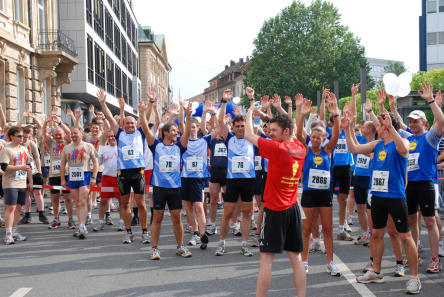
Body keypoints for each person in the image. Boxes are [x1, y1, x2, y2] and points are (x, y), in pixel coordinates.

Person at [343, 110, 421, 294]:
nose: (377, 125)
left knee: (405, 236)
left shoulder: (400, 143)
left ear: (387, 125)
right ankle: (376, 272)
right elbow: (354, 149)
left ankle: (414, 278)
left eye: (380, 122)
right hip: (377, 196)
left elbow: (403, 149)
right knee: (376, 234)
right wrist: (346, 129)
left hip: (395, 197)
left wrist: (392, 127)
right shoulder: (377, 144)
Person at [243, 89, 306, 297]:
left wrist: (250, 111)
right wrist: (270, 116)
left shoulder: (278, 150)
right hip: (292, 209)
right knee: (296, 259)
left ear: (285, 132)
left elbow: (248, 134)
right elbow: (290, 125)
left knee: (266, 261)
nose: (271, 134)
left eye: (274, 131)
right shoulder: (299, 147)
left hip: (274, 211)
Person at [296, 92, 341, 276]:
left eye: (318, 138)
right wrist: (302, 115)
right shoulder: (306, 150)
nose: (315, 139)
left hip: (324, 194)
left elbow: (337, 134)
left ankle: (330, 262)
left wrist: (336, 115)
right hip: (309, 194)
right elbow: (298, 133)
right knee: (306, 230)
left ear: (323, 139)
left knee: (328, 230)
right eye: (313, 137)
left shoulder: (327, 150)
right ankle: (304, 262)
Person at [145, 86, 193, 260]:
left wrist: (186, 114)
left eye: (177, 131)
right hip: (159, 187)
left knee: (176, 218)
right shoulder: (156, 145)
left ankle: (180, 247)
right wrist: (149, 105)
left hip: (175, 188)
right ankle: (154, 249)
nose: (176, 133)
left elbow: (186, 132)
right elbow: (144, 127)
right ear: (165, 133)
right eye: (173, 131)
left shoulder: (180, 147)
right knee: (157, 217)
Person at [98, 89, 150, 244]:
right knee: (125, 203)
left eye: (132, 123)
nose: (129, 125)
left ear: (136, 124)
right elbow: (108, 117)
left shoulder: (140, 133)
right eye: (127, 123)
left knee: (141, 203)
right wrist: (102, 102)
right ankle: (128, 232)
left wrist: (149, 106)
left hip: (138, 172)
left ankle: (144, 232)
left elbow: (145, 118)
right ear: (123, 125)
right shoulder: (119, 133)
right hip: (123, 174)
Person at [405, 83, 444, 273]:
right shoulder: (408, 139)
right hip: (409, 185)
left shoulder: (429, 138)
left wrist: (430, 101)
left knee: (429, 222)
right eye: (411, 121)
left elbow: (441, 121)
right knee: (412, 221)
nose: (413, 124)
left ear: (424, 123)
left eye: (416, 121)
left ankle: (435, 259)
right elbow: (394, 124)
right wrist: (384, 107)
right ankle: (415, 254)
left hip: (426, 184)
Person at [215, 88, 256, 257]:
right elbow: (219, 121)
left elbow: (252, 114)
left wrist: (252, 98)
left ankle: (244, 244)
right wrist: (224, 101)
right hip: (232, 180)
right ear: (233, 127)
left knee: (247, 212)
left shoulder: (251, 137)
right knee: (227, 213)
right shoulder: (229, 138)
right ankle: (221, 243)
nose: (240, 128)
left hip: (248, 180)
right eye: (237, 126)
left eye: (242, 126)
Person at [60, 127, 98, 239]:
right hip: (72, 176)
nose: (73, 135)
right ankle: (81, 225)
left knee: (82, 201)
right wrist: (62, 179)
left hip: (85, 175)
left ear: (81, 134)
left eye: (75, 133)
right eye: (71, 134)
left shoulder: (88, 146)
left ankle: (82, 226)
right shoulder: (67, 148)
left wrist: (94, 177)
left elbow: (95, 162)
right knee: (76, 202)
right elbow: (62, 164)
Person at [0, 126, 33, 244]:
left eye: (23, 136)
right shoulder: (6, 149)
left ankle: (14, 231)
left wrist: (30, 182)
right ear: (12, 137)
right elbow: (4, 166)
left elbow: (29, 165)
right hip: (10, 182)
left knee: (19, 208)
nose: (22, 138)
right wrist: (20, 167)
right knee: (10, 207)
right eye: (19, 136)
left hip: (22, 182)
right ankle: (8, 234)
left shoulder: (24, 149)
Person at [42, 116, 75, 230]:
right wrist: (45, 123)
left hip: (66, 173)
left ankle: (70, 219)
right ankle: (56, 219)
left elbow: (69, 132)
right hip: (53, 174)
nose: (57, 136)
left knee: (67, 198)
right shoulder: (51, 142)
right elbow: (44, 135)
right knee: (55, 198)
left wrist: (59, 123)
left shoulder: (68, 142)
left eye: (59, 134)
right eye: (56, 135)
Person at [94, 130, 121, 232]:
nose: (111, 138)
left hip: (119, 178)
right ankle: (101, 222)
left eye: (113, 136)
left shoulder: (121, 148)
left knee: (122, 202)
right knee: (103, 201)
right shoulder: (103, 149)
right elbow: (98, 162)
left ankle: (122, 222)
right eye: (108, 136)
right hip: (106, 177)